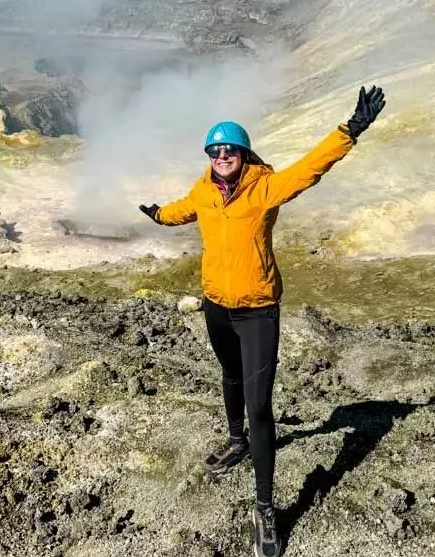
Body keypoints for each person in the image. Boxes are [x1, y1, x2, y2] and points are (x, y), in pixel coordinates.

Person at [139, 85, 386, 557]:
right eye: (214, 150)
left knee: (260, 408)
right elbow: (181, 209)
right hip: (216, 305)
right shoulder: (204, 189)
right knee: (229, 376)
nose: (221, 156)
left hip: (257, 310)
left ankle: (266, 506)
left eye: (229, 149)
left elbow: (310, 168)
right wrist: (158, 215)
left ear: (244, 153)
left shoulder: (265, 187)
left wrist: (350, 130)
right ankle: (236, 443)